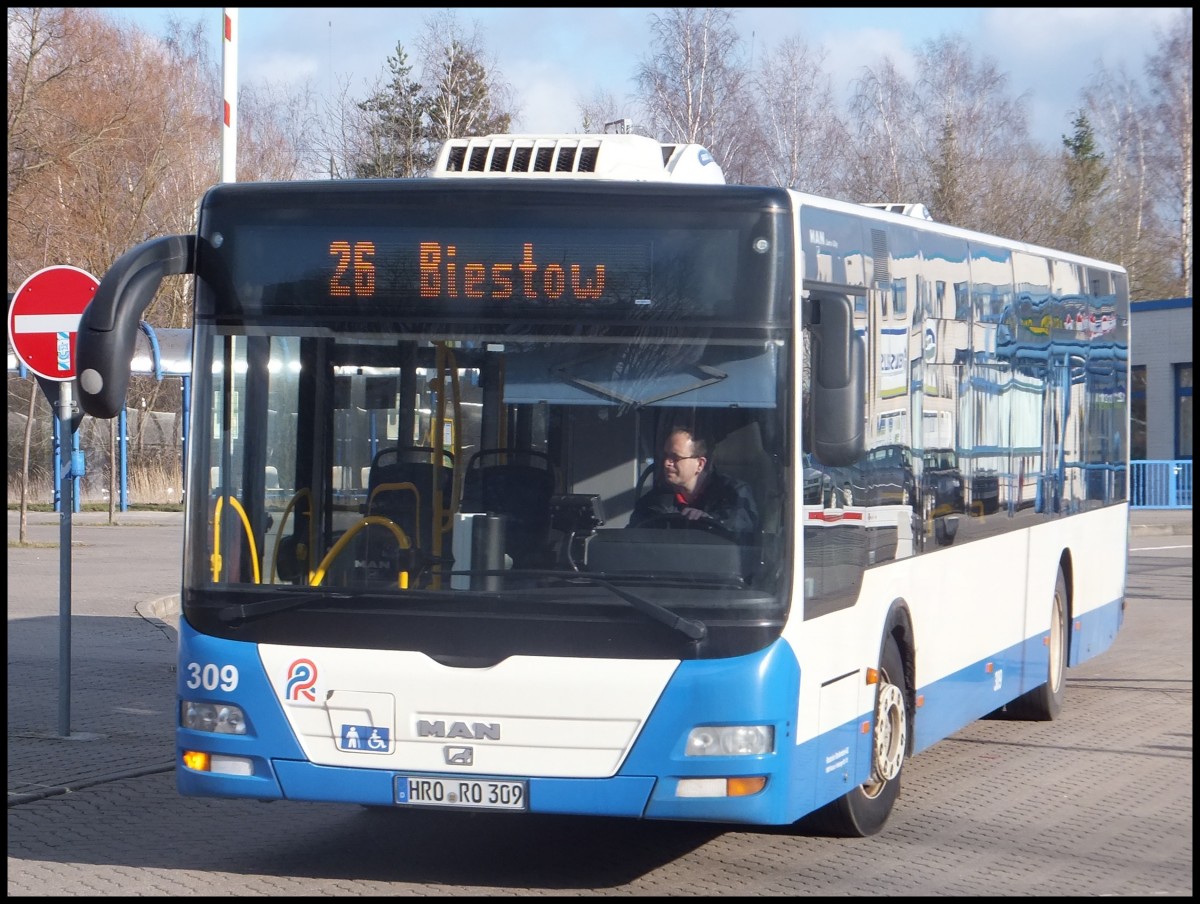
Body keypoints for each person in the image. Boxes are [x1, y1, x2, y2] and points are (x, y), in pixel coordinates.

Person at [630, 427, 759, 542]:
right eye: (665, 456)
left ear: (700, 464)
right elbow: (631, 537)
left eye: (675, 458)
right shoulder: (653, 501)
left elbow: (740, 529)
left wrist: (709, 521)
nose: (666, 463)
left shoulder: (734, 492)